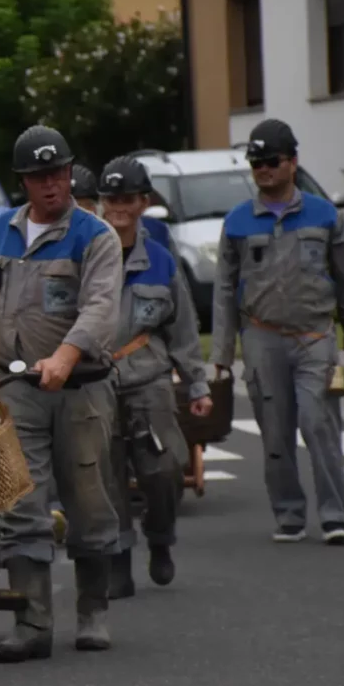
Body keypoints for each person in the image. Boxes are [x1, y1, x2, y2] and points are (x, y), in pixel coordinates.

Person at [0, 125, 122, 659]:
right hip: (18, 389)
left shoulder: (95, 236)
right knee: (19, 503)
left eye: (58, 173)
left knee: (88, 500)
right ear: (24, 182)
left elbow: (101, 308)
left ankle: (93, 610)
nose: (51, 184)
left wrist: (66, 354)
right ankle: (32, 625)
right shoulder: (1, 231)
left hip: (80, 388)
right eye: (39, 176)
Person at [210, 119, 344, 545]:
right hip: (261, 338)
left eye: (272, 161)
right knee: (275, 432)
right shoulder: (238, 222)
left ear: (293, 162)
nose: (263, 169)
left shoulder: (324, 214)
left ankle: (334, 516)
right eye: (256, 162)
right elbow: (224, 290)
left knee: (318, 424)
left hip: (315, 336)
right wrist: (221, 354)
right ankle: (289, 514)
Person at [97, 156, 212, 598]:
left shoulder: (161, 261)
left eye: (127, 198)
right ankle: (118, 562)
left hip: (149, 379)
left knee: (163, 470)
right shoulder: (87, 255)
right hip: (97, 380)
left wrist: (197, 384)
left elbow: (182, 329)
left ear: (143, 202)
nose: (118, 207)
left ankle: (160, 539)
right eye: (110, 199)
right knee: (106, 478)